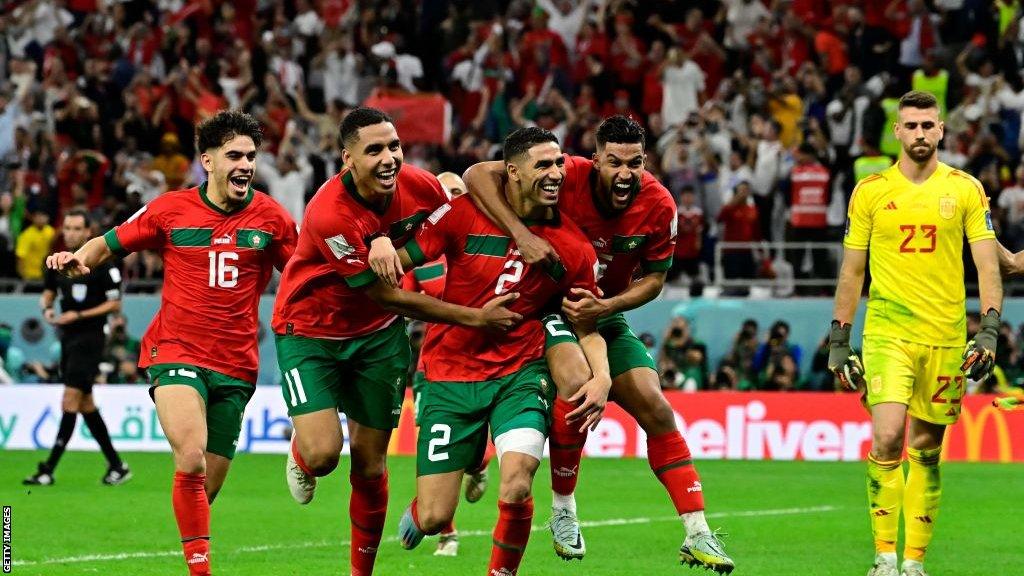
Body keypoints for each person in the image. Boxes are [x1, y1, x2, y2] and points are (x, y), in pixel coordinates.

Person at [461, 115, 734, 571]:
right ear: (595, 160)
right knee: (577, 384)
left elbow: (655, 280)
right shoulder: (563, 175)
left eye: (636, 163)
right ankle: (564, 510)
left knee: (656, 405)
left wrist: (606, 308)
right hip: (547, 308)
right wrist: (521, 235)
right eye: (615, 162)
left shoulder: (659, 204)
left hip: (602, 313)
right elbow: (476, 174)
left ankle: (698, 531)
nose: (626, 173)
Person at [46, 110, 299, 576]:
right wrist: (78, 259)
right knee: (191, 456)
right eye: (234, 156)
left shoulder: (273, 219)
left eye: (251, 156)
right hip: (176, 350)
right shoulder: (169, 209)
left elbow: (305, 276)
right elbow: (107, 242)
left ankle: (194, 549)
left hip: (237, 364)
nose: (245, 164)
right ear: (208, 160)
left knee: (205, 487)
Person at [272, 108, 520, 576]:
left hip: (379, 337)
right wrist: (475, 318)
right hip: (309, 332)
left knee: (369, 465)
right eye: (374, 151)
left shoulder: (420, 186)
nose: (389, 159)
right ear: (347, 159)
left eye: (394, 146)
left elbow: (458, 223)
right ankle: (303, 451)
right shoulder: (329, 213)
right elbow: (384, 293)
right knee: (326, 455)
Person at [393, 126, 611, 576]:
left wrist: (602, 376)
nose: (556, 174)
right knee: (435, 517)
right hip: (450, 372)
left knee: (515, 484)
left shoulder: (573, 247)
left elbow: (586, 324)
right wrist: (380, 242)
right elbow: (398, 262)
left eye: (559, 164)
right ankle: (428, 506)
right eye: (543, 165)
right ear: (511, 171)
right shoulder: (463, 215)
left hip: (519, 372)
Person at [828, 91, 1001, 576]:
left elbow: (988, 266)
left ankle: (913, 562)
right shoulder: (870, 190)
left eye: (929, 125)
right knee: (887, 438)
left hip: (946, 336)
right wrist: (840, 340)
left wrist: (988, 330)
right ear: (897, 132)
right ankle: (884, 558)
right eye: (912, 125)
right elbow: (851, 272)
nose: (921, 133)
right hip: (887, 333)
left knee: (926, 448)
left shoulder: (966, 189)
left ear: (941, 130)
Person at [400, 171, 491, 558]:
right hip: (434, 368)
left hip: (486, 364)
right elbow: (401, 311)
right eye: (445, 193)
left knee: (473, 453)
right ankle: (446, 534)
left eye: (458, 192)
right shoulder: (421, 259)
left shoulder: (485, 247)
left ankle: (478, 464)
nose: (451, 198)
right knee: (434, 448)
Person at [24, 209, 129, 486]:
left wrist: (79, 315)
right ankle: (117, 466)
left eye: (76, 228)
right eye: (67, 228)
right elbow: (48, 295)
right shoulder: (57, 263)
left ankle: (48, 469)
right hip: (68, 338)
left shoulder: (102, 261)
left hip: (91, 339)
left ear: (86, 232)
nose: (70, 233)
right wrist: (47, 309)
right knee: (85, 404)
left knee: (69, 400)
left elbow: (115, 304)